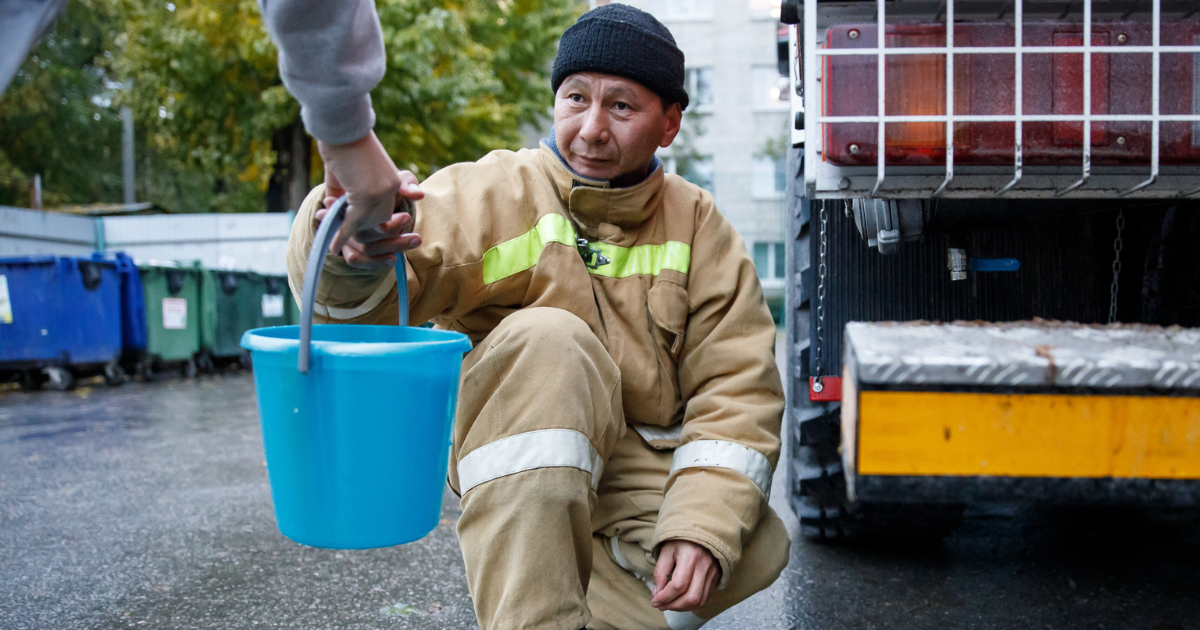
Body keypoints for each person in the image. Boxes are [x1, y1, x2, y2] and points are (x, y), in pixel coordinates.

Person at [273, 4, 790, 629]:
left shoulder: (699, 226)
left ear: (670, 123)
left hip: (630, 477)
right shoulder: (499, 191)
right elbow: (361, 302)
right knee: (550, 341)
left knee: (746, 538)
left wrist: (700, 525)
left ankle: (586, 596)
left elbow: (737, 388)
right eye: (576, 98)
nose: (592, 129)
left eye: (621, 106)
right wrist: (347, 244)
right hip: (525, 467)